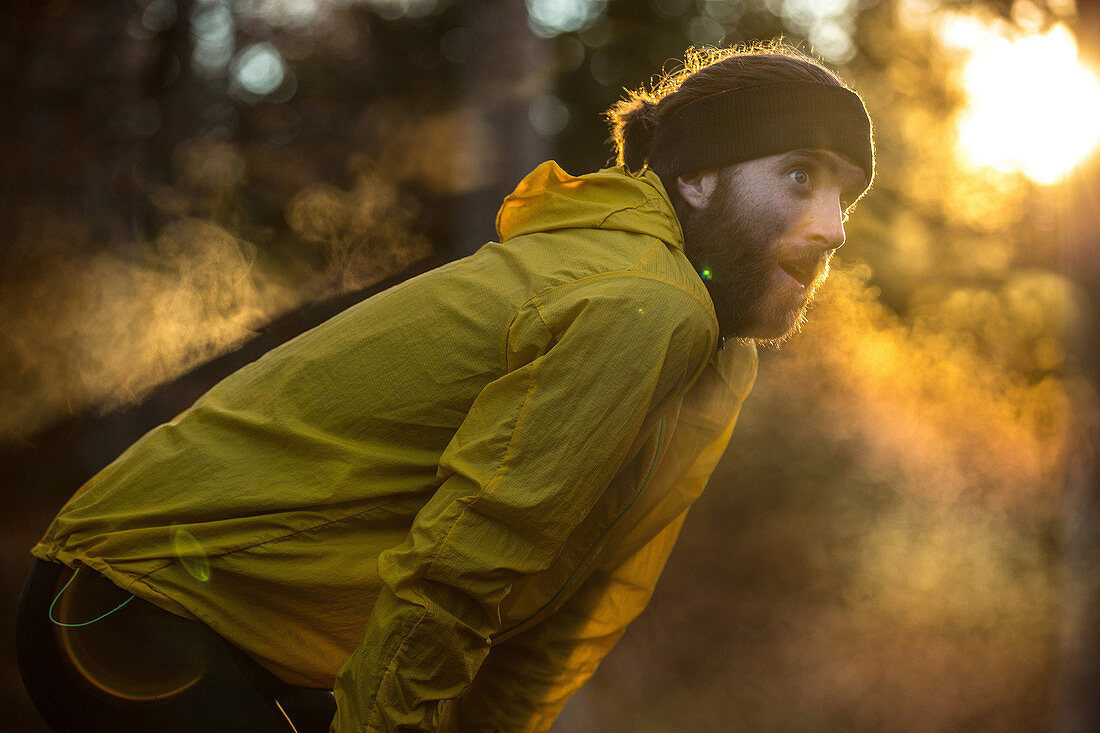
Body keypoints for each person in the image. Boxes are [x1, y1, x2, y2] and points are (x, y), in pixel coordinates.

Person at [16, 42, 874, 733]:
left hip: (240, 624)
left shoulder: (717, 354)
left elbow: (577, 600)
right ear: (696, 177)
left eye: (845, 192)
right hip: (132, 600)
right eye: (800, 175)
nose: (832, 227)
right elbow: (465, 561)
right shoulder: (641, 302)